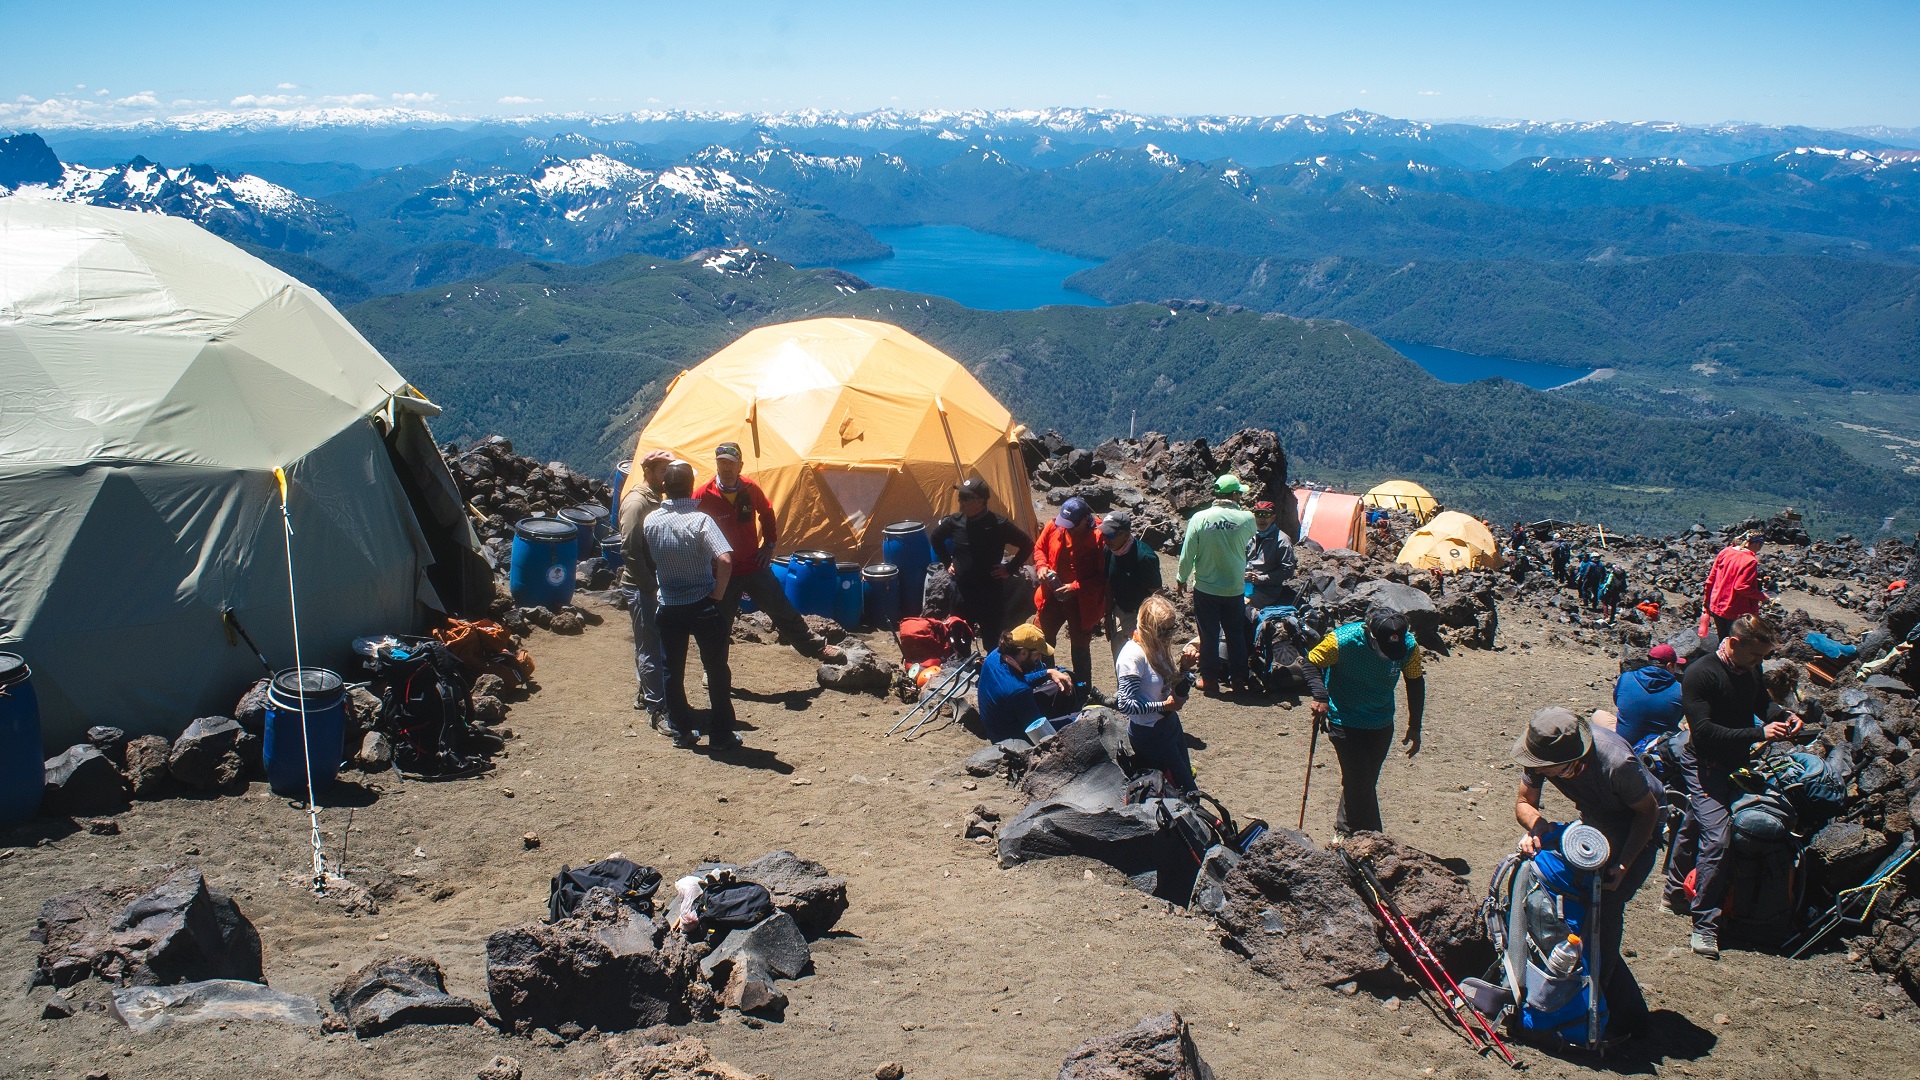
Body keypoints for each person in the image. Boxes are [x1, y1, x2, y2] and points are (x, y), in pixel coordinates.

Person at [1512, 706, 1664, 1040]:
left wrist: (1623, 866)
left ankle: (1605, 1009)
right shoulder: (1541, 753)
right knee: (1577, 905)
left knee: (1606, 909)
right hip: (1595, 821)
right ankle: (1582, 994)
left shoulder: (1616, 764)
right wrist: (1536, 827)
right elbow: (1525, 803)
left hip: (1636, 827)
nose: (1540, 773)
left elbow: (1647, 812)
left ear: (1572, 763)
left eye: (1550, 771)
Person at [1662, 615, 1803, 959]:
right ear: (1735, 643)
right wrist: (1759, 733)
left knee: (1697, 817)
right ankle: (1704, 926)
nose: (1760, 663)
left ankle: (1674, 893)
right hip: (1704, 763)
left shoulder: (1749, 668)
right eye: (1756, 656)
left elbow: (1760, 704)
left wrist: (1781, 716)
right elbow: (1705, 732)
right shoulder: (1701, 674)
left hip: (1734, 761)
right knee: (1719, 837)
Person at [694, 442, 841, 661]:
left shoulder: (750, 489)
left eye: (730, 464)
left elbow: (767, 512)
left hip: (754, 566)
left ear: (740, 466)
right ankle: (713, 669)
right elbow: (691, 527)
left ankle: (817, 648)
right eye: (721, 462)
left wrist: (769, 545)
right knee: (719, 622)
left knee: (782, 609)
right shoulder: (703, 495)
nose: (726, 468)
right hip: (724, 572)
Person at [1302, 606, 1427, 834]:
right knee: (1359, 781)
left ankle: (1343, 828)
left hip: (1381, 721)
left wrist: (1415, 725)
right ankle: (1372, 837)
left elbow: (1415, 681)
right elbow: (1310, 663)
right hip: (1345, 719)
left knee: (1363, 781)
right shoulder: (1342, 641)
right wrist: (1320, 695)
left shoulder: (1408, 646)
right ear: (1370, 634)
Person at [644, 461, 738, 751]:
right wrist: (718, 594)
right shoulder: (701, 521)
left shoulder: (651, 521)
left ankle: (681, 730)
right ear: (689, 487)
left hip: (669, 604)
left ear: (665, 488)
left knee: (672, 669)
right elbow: (724, 559)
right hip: (702, 603)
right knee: (716, 669)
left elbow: (647, 559)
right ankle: (722, 734)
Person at [1176, 474, 1258, 694]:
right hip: (1234, 588)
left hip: (1206, 588)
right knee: (1235, 634)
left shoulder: (1199, 518)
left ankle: (1210, 680)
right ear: (1233, 495)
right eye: (1239, 493)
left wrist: (1181, 578)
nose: (1240, 496)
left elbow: (1187, 554)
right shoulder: (1248, 519)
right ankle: (1239, 679)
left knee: (1208, 635)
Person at [931, 476, 1033, 649]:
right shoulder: (955, 521)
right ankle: (962, 670)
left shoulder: (999, 524)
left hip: (989, 593)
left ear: (980, 501)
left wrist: (1010, 568)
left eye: (965, 498)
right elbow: (935, 538)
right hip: (962, 592)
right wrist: (948, 562)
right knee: (959, 638)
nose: (960, 502)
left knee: (992, 641)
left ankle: (989, 672)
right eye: (959, 497)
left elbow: (1027, 544)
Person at [1114, 595, 1197, 793]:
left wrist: (1184, 668)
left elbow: (1168, 686)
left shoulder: (1158, 647)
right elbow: (1125, 704)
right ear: (1148, 627)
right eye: (1162, 630)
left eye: (1171, 629)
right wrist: (1162, 706)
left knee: (1185, 781)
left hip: (1169, 725)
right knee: (1180, 789)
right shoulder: (1132, 657)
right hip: (1150, 733)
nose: (1168, 636)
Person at [618, 450, 674, 731]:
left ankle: (646, 693)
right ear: (649, 471)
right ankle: (658, 709)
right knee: (651, 645)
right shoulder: (638, 503)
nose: (667, 477)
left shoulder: (654, 498)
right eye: (663, 471)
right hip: (641, 586)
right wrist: (649, 585)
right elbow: (628, 547)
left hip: (648, 583)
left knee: (646, 641)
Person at [1033, 496, 1109, 692]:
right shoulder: (1055, 525)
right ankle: (1048, 683)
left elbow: (1104, 576)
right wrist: (1041, 567)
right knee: (1043, 638)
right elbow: (1039, 548)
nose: (1065, 529)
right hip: (1052, 596)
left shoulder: (1099, 537)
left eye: (1071, 526)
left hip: (1081, 602)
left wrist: (1075, 586)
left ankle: (1083, 690)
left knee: (1080, 647)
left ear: (1085, 520)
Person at [975, 623, 1081, 742]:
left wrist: (1048, 672)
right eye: (1037, 654)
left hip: (999, 722)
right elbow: (1041, 734)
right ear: (1024, 652)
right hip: (1012, 739)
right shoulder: (1019, 691)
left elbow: (1018, 679)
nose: (1040, 658)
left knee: (1059, 687)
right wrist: (1077, 719)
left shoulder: (995, 655)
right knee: (1079, 720)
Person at [1100, 511, 1162, 665]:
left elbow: (1157, 594)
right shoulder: (1109, 551)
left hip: (1142, 616)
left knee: (1142, 663)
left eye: (1111, 535)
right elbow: (1108, 583)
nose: (1107, 539)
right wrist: (1107, 616)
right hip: (1119, 612)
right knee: (1121, 662)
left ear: (1126, 533)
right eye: (1104, 534)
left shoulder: (1144, 557)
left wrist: (1150, 626)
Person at [1613, 643, 1687, 748]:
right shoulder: (1680, 690)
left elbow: (1617, 702)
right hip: (1656, 748)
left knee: (1599, 716)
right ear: (1670, 666)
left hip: (1624, 745)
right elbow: (1677, 717)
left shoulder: (1625, 678)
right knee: (1682, 727)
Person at [1702, 532, 1766, 639]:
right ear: (1756, 544)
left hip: (1717, 604)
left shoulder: (1725, 552)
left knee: (1722, 639)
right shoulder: (1750, 561)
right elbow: (1741, 587)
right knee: (1734, 642)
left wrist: (1706, 600)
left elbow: (1711, 579)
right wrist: (1762, 596)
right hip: (1734, 609)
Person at [1243, 499, 1297, 610]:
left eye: (1266, 514)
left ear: (1273, 517)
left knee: (1239, 606)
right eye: (1258, 514)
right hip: (1243, 584)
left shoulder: (1282, 540)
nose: (1262, 519)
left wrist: (1261, 579)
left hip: (1266, 591)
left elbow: (1287, 570)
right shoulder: (1248, 536)